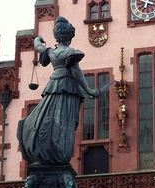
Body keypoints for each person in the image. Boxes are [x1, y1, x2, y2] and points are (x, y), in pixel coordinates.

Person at [19, 17, 99, 165]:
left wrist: (38, 39)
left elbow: (38, 46)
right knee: (64, 121)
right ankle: (59, 150)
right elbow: (76, 72)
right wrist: (89, 89)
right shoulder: (70, 52)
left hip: (53, 86)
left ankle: (44, 143)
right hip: (67, 88)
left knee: (51, 117)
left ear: (57, 36)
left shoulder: (51, 52)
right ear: (70, 36)